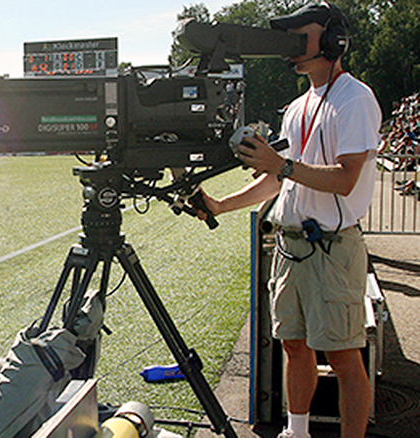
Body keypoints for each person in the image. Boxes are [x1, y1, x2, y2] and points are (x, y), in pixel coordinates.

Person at [196, 3, 381, 438]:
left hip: (332, 249)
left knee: (343, 357)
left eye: (302, 36)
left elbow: (346, 179)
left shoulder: (355, 98)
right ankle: (296, 432)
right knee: (294, 347)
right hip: (291, 246)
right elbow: (278, 180)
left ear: (334, 41)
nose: (292, 47)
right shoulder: (297, 106)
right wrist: (220, 205)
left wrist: (281, 166)